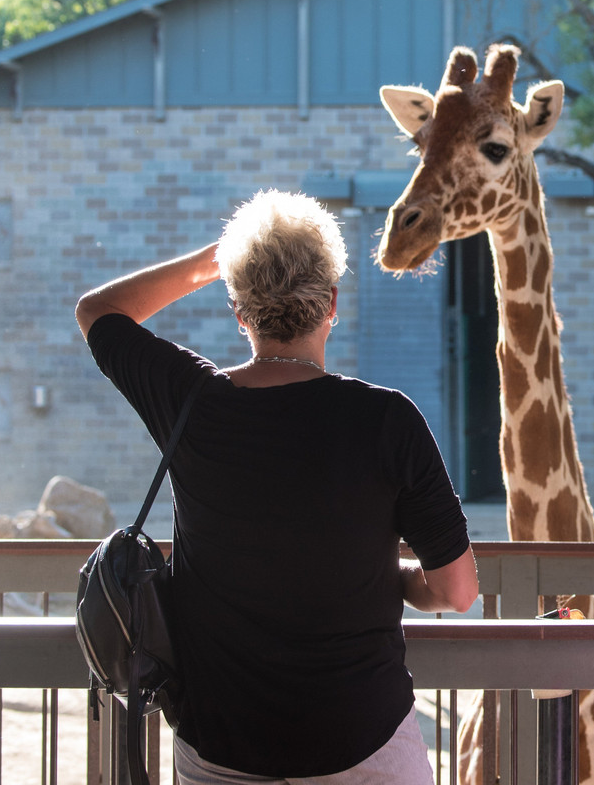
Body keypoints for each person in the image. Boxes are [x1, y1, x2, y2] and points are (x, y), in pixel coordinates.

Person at [75, 189, 479, 784]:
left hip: (220, 741)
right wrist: (395, 580)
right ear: (333, 303)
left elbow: (97, 311)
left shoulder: (190, 400)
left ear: (239, 312)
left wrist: (217, 260)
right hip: (360, 737)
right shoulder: (388, 421)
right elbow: (459, 591)